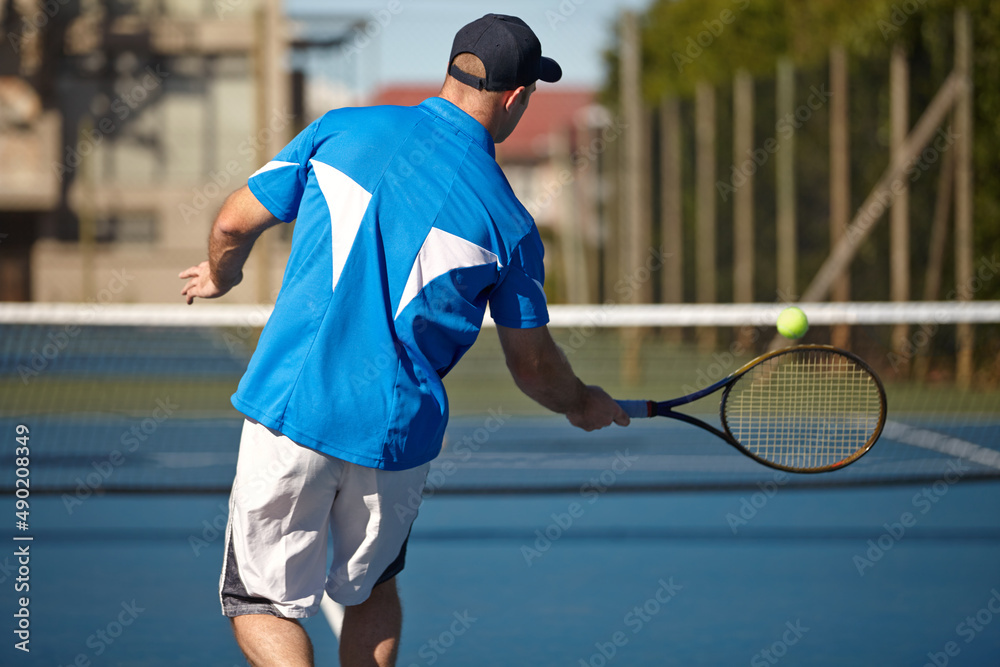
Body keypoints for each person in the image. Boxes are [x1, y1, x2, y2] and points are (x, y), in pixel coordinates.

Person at [179, 13, 628, 667]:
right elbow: (532, 365)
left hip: (291, 411)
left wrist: (223, 272)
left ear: (453, 71)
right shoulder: (511, 221)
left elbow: (230, 223)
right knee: (372, 590)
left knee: (261, 604)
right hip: (395, 437)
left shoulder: (343, 128)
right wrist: (581, 400)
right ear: (516, 97)